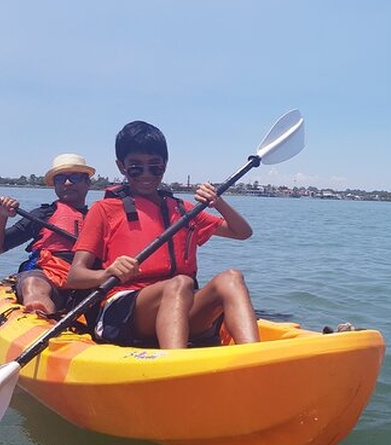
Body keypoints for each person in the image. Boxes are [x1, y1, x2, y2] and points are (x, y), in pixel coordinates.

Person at [66, 120, 260, 349]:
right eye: (136, 167)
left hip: (181, 302)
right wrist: (106, 273)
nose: (146, 175)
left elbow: (242, 232)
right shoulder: (104, 210)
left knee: (231, 277)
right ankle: (176, 366)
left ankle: (255, 358)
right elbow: (75, 277)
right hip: (124, 312)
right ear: (121, 167)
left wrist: (218, 203)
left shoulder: (183, 210)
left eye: (155, 167)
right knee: (178, 284)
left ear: (165, 165)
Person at [0, 153, 94, 317]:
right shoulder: (42, 215)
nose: (67, 183)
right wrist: (2, 216)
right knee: (33, 284)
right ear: (55, 185)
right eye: (60, 179)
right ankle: (42, 326)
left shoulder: (101, 217)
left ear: (88, 183)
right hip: (48, 277)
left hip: (89, 280)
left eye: (75, 177)